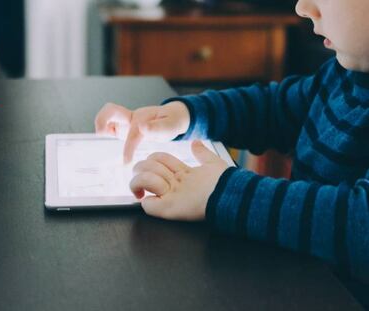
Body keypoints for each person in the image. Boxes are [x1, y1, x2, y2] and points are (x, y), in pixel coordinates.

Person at [95, 0, 369, 295]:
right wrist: (185, 116)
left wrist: (222, 191)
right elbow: (273, 109)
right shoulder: (344, 75)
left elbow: (359, 223)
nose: (303, 8)